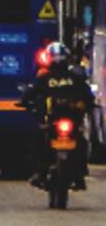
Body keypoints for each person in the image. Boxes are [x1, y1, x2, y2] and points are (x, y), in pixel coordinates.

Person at [21, 41, 94, 190]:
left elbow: (89, 97)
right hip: (53, 123)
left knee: (80, 143)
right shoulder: (53, 78)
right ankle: (41, 172)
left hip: (69, 124)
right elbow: (30, 95)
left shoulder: (61, 78)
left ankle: (77, 174)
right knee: (39, 140)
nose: (58, 60)